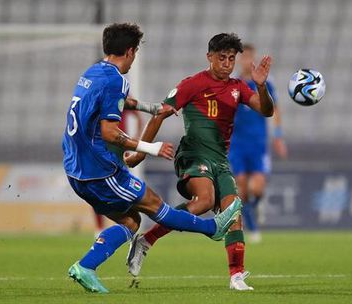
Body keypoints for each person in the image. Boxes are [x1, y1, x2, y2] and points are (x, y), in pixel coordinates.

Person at [62, 23, 242, 294]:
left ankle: (86, 267)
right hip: (98, 168)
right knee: (154, 204)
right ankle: (211, 228)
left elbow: (119, 100)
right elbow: (110, 132)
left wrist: (147, 107)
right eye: (135, 53)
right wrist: (149, 148)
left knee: (131, 221)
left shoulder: (94, 72)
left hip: (75, 167)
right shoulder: (116, 80)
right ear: (131, 51)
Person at [124, 33, 274, 291]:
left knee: (232, 214)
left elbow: (266, 110)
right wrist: (141, 152)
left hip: (220, 160)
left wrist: (261, 86)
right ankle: (148, 240)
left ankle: (236, 276)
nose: (227, 63)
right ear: (209, 57)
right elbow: (160, 114)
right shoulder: (192, 84)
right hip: (193, 154)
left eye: (231, 58)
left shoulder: (239, 87)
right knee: (204, 200)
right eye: (221, 58)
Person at [229, 44, 287, 243]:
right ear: (239, 59)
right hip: (237, 144)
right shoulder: (233, 83)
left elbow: (276, 110)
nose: (246, 61)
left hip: (258, 143)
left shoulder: (264, 83)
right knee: (242, 189)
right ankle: (252, 228)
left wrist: (278, 136)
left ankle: (257, 205)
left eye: (249, 57)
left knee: (257, 189)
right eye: (243, 57)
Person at [93, 109, 144, 237]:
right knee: (98, 184)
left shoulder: (120, 95)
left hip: (119, 143)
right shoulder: (105, 96)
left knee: (120, 179)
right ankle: (99, 227)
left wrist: (135, 139)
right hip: (104, 141)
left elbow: (138, 116)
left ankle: (126, 222)